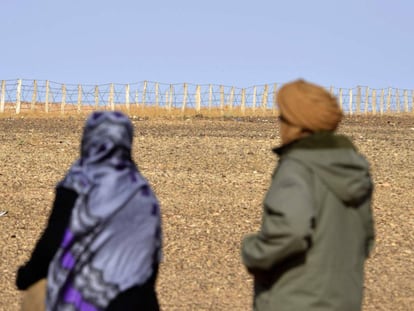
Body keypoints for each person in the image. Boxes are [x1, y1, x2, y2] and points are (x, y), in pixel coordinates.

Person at [241, 79, 375, 311]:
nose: (281, 125)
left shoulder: (298, 167)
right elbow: (366, 239)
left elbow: (290, 232)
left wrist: (253, 252)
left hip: (295, 300)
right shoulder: (354, 167)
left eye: (283, 118)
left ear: (296, 123)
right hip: (344, 300)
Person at [16, 111, 162, 310]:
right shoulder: (143, 193)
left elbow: (53, 240)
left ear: (88, 138)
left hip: (88, 301)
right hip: (139, 302)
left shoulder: (80, 183)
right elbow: (150, 259)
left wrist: (28, 276)